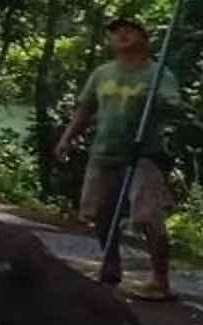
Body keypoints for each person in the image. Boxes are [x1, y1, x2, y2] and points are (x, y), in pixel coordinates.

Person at [54, 16, 181, 300]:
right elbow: (85, 110)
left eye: (129, 31)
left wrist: (169, 105)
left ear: (143, 40)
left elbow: (173, 104)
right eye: (115, 33)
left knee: (148, 215)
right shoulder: (102, 73)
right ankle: (111, 267)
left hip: (143, 154)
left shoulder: (157, 73)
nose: (121, 36)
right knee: (100, 212)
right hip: (104, 151)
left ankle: (160, 281)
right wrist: (67, 138)